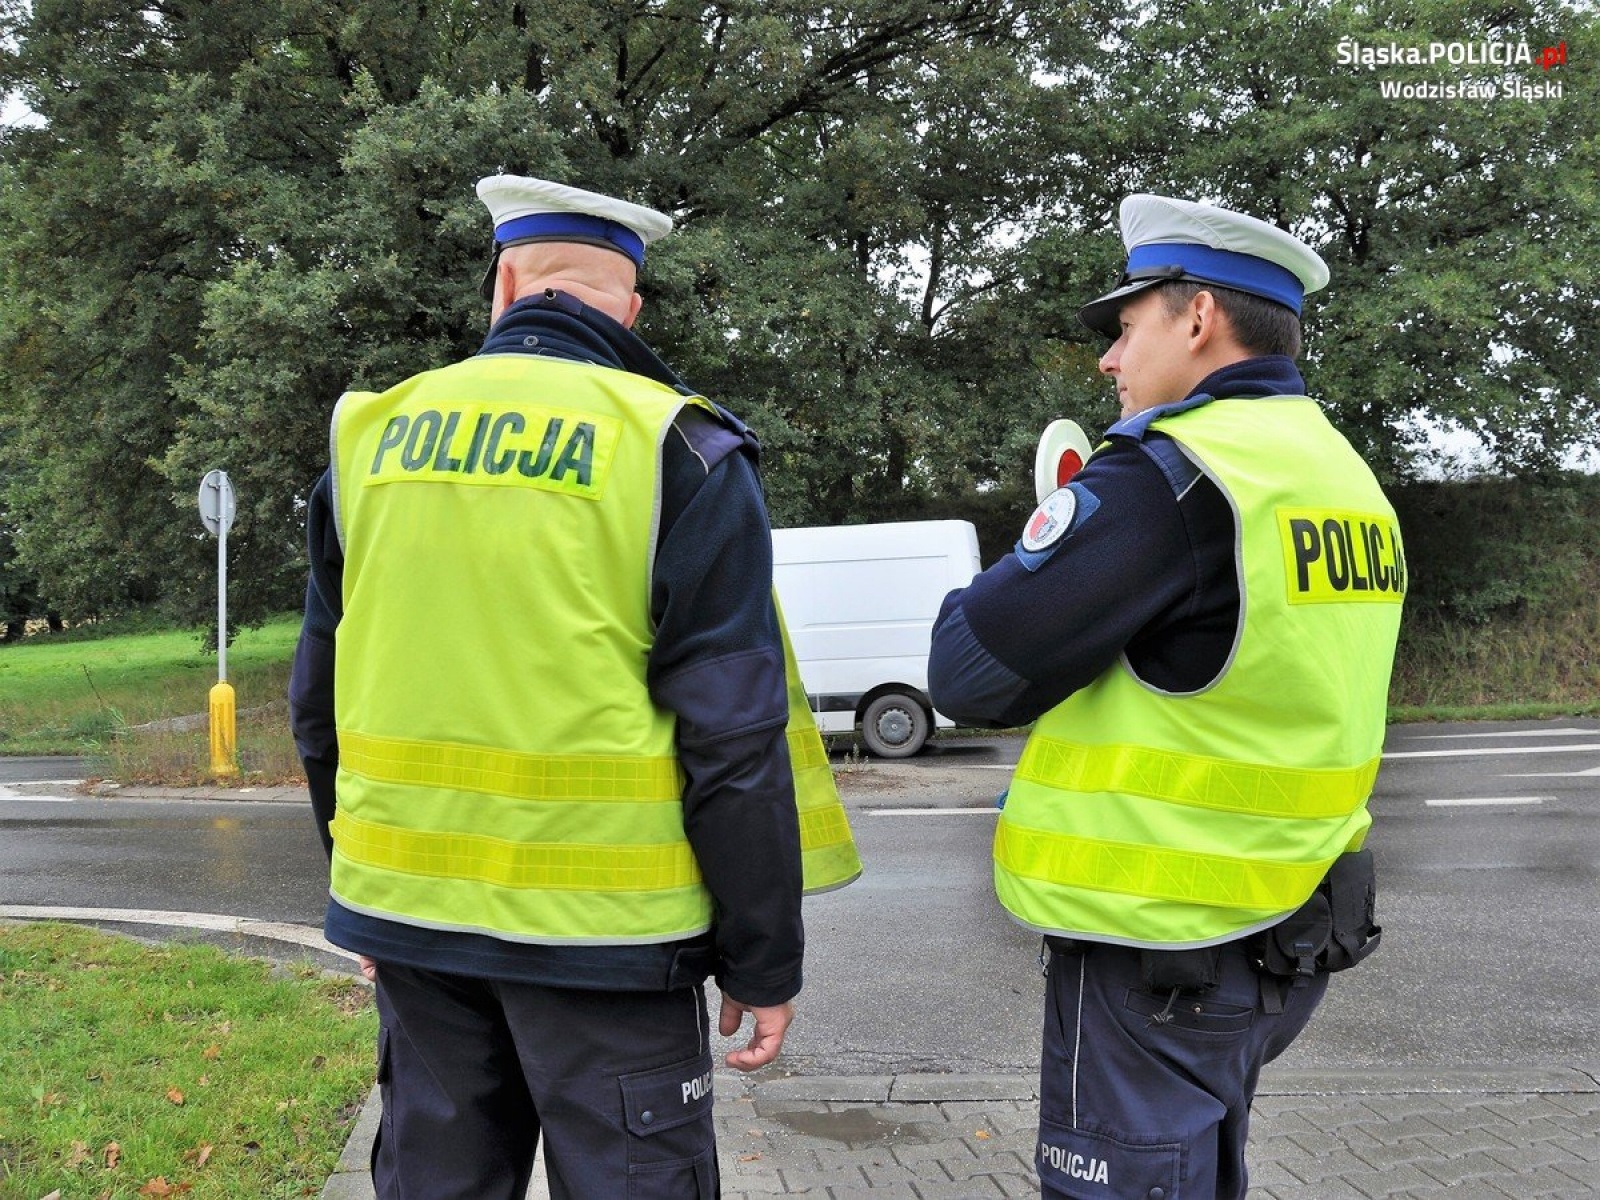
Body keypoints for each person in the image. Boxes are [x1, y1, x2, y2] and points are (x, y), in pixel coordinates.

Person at [288, 173, 860, 1200]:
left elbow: (316, 705)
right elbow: (732, 740)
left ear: (503, 282)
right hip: (610, 947)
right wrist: (763, 960)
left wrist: (360, 891)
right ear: (628, 308)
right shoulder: (677, 446)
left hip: (413, 929)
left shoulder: (366, 439)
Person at [928, 194, 1404, 1199]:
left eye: (1127, 325)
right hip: (1283, 929)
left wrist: (1033, 550)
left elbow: (966, 676)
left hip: (1162, 949)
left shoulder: (1173, 477)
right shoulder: (1342, 478)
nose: (1108, 359)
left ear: (1196, 320)